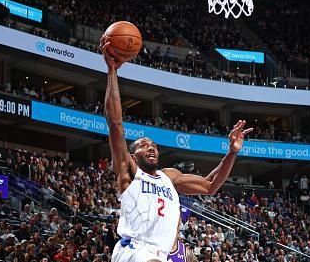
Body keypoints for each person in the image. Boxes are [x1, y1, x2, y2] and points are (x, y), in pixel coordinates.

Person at [100, 38, 253, 262]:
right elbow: (115, 123)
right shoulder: (129, 171)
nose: (150, 147)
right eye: (143, 145)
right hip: (134, 250)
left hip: (161, 255)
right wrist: (112, 71)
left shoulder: (169, 177)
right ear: (133, 156)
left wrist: (232, 152)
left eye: (153, 145)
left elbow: (210, 186)